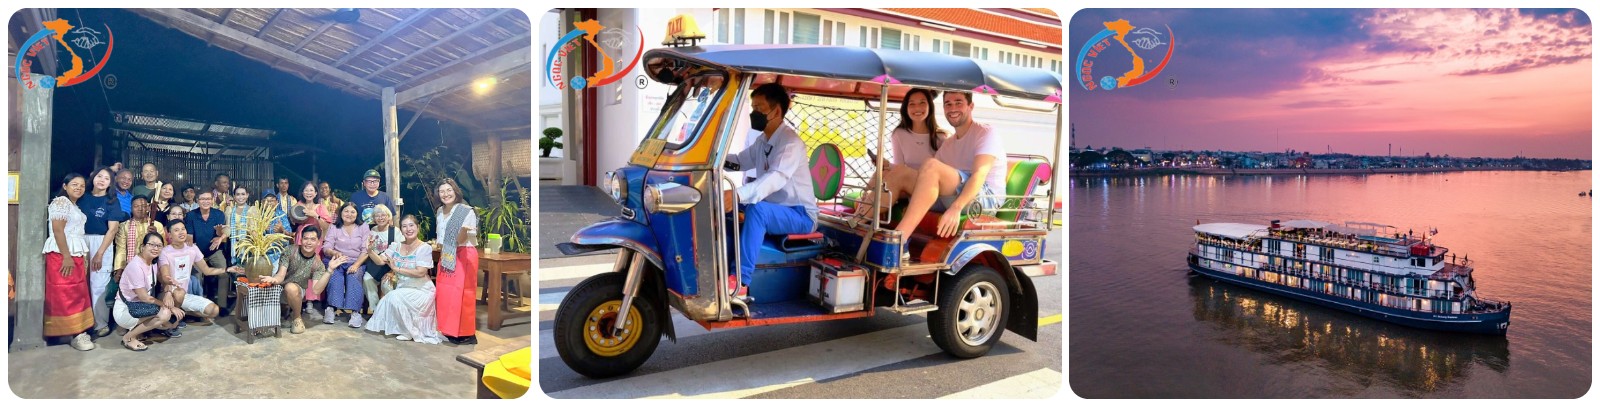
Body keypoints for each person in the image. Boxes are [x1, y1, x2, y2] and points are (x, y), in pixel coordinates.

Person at [721, 83, 817, 297]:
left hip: (800, 214)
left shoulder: (790, 143)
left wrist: (738, 194)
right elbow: (740, 161)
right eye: (753, 107)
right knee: (723, 206)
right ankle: (722, 266)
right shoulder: (763, 140)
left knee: (757, 210)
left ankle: (740, 281)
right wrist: (715, 159)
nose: (753, 113)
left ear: (776, 111)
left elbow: (775, 178)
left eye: (759, 108)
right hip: (776, 209)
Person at [893, 90, 1005, 240]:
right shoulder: (949, 144)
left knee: (931, 164)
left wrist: (956, 208)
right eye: (948, 104)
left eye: (958, 103)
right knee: (900, 172)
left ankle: (899, 239)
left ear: (970, 106)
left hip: (983, 200)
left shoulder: (985, 133)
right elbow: (926, 177)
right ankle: (862, 228)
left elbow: (979, 175)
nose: (953, 108)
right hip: (952, 196)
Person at [855, 88, 945, 217]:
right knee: (882, 171)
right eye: (912, 104)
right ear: (906, 109)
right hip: (905, 184)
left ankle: (860, 214)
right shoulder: (899, 134)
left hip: (929, 188)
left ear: (930, 106)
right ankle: (862, 206)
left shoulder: (941, 137)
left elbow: (941, 175)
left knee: (894, 175)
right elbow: (899, 168)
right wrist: (886, 165)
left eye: (922, 103)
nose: (917, 108)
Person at [365, 215, 443, 343]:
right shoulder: (396, 246)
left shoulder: (424, 248)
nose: (408, 229)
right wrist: (369, 251)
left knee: (393, 296)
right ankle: (406, 329)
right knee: (392, 297)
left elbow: (420, 272)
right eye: (404, 226)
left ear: (418, 227)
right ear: (401, 230)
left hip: (422, 290)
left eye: (411, 225)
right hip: (403, 288)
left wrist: (396, 269)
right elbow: (380, 261)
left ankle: (409, 330)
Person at [44, 173, 96, 351]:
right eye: (74, 184)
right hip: (62, 253)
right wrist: (66, 256)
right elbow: (58, 231)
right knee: (65, 292)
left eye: (82, 185)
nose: (79, 188)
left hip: (75, 254)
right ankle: (74, 333)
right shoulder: (61, 202)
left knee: (77, 291)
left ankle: (77, 331)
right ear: (65, 186)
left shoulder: (74, 206)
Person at [157, 221, 235, 332]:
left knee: (214, 310)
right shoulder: (165, 252)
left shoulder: (192, 248)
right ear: (169, 235)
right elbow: (165, 276)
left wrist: (227, 269)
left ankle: (183, 313)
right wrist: (168, 291)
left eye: (183, 229)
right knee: (179, 293)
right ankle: (173, 320)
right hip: (166, 295)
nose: (181, 232)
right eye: (176, 230)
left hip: (184, 295)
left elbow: (207, 271)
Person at [80, 167, 128, 339]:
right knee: (80, 284)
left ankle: (100, 324)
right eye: (99, 176)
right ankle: (80, 323)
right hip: (80, 241)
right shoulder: (82, 197)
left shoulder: (111, 201)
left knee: (98, 284)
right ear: (93, 177)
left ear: (111, 183)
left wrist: (99, 253)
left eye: (107, 178)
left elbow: (112, 229)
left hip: (102, 242)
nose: (102, 180)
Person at [113, 232, 181, 351]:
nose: (155, 248)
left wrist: (168, 291)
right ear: (143, 246)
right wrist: (170, 307)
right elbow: (144, 297)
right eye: (152, 244)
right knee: (165, 314)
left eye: (159, 246)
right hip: (126, 309)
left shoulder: (152, 262)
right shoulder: (136, 266)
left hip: (141, 306)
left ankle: (140, 331)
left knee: (170, 322)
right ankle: (129, 337)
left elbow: (163, 280)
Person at [434, 178, 480, 344]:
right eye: (442, 191)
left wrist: (463, 231)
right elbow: (440, 237)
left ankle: (466, 334)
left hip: (463, 254)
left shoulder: (466, 211)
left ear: (456, 192)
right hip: (447, 254)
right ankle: (449, 330)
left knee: (463, 293)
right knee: (445, 292)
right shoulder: (440, 211)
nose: (446, 194)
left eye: (449, 190)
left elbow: (461, 239)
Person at [260, 227, 331, 334]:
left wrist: (329, 270)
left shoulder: (318, 264)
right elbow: (281, 275)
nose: (308, 242)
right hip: (278, 287)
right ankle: (281, 310)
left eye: (312, 239)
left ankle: (297, 318)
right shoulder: (290, 251)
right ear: (301, 240)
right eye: (306, 238)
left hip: (297, 290)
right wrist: (273, 279)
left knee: (291, 287)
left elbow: (316, 290)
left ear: (318, 242)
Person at [110, 195, 166, 326]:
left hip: (151, 267)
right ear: (131, 208)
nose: (140, 209)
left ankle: (149, 322)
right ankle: (126, 323)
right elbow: (121, 249)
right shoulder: (124, 226)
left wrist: (156, 234)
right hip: (131, 267)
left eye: (143, 206)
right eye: (136, 206)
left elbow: (163, 247)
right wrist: (119, 269)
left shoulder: (156, 225)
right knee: (130, 295)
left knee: (151, 293)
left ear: (148, 208)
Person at [322, 202, 370, 327]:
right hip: (338, 260)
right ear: (341, 213)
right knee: (335, 276)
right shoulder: (334, 227)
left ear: (357, 214)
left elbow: (366, 250)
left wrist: (356, 265)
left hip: (356, 260)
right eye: (346, 211)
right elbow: (326, 247)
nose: (349, 214)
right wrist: (334, 253)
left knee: (354, 276)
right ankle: (331, 308)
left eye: (353, 212)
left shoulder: (363, 227)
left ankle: (355, 312)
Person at [184, 192, 229, 312]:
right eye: (202, 199)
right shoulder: (191, 215)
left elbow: (222, 233)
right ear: (197, 200)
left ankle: (222, 305)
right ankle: (198, 307)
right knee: (197, 276)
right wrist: (193, 253)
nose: (205, 201)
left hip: (214, 251)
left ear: (212, 200)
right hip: (197, 252)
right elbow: (189, 237)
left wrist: (219, 235)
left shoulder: (219, 214)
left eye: (208, 199)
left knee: (224, 273)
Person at [364, 205, 398, 315]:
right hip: (375, 264)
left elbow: (400, 252)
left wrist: (392, 271)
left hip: (390, 266)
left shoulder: (395, 231)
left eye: (383, 215)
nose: (380, 218)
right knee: (367, 279)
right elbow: (369, 250)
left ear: (388, 217)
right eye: (377, 216)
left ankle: (391, 313)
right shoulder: (372, 231)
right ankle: (376, 310)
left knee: (387, 284)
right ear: (374, 218)